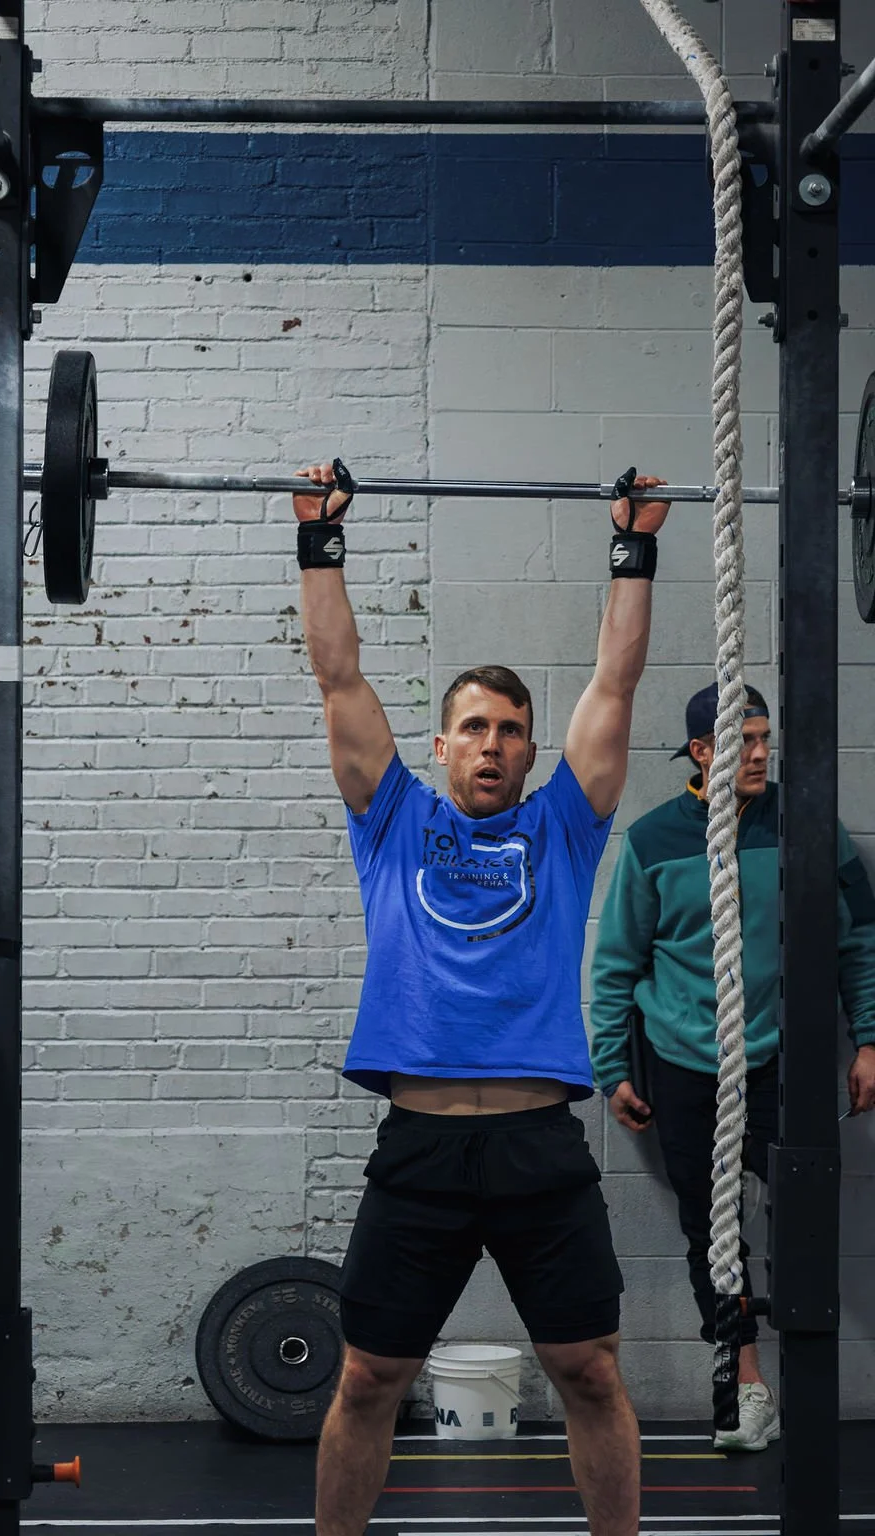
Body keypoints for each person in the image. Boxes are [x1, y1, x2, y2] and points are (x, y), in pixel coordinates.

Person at [294, 460, 671, 1536]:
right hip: (417, 1152)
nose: (493, 746)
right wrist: (320, 540)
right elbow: (338, 680)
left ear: (528, 746)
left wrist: (632, 547)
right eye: (474, 728)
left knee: (589, 1374)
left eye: (511, 729)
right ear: (442, 743)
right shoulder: (393, 821)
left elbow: (615, 684)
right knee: (366, 1378)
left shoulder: (563, 827)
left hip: (535, 1149)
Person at [590, 682, 875, 1452]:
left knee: (805, 1217)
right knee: (711, 1235)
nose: (759, 754)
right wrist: (612, 1067)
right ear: (702, 751)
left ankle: (811, 1382)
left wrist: (871, 1041)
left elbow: (858, 941)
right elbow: (616, 963)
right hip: (684, 1065)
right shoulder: (654, 840)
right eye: (742, 742)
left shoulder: (806, 824)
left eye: (764, 738)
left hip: (783, 1058)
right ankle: (747, 1386)